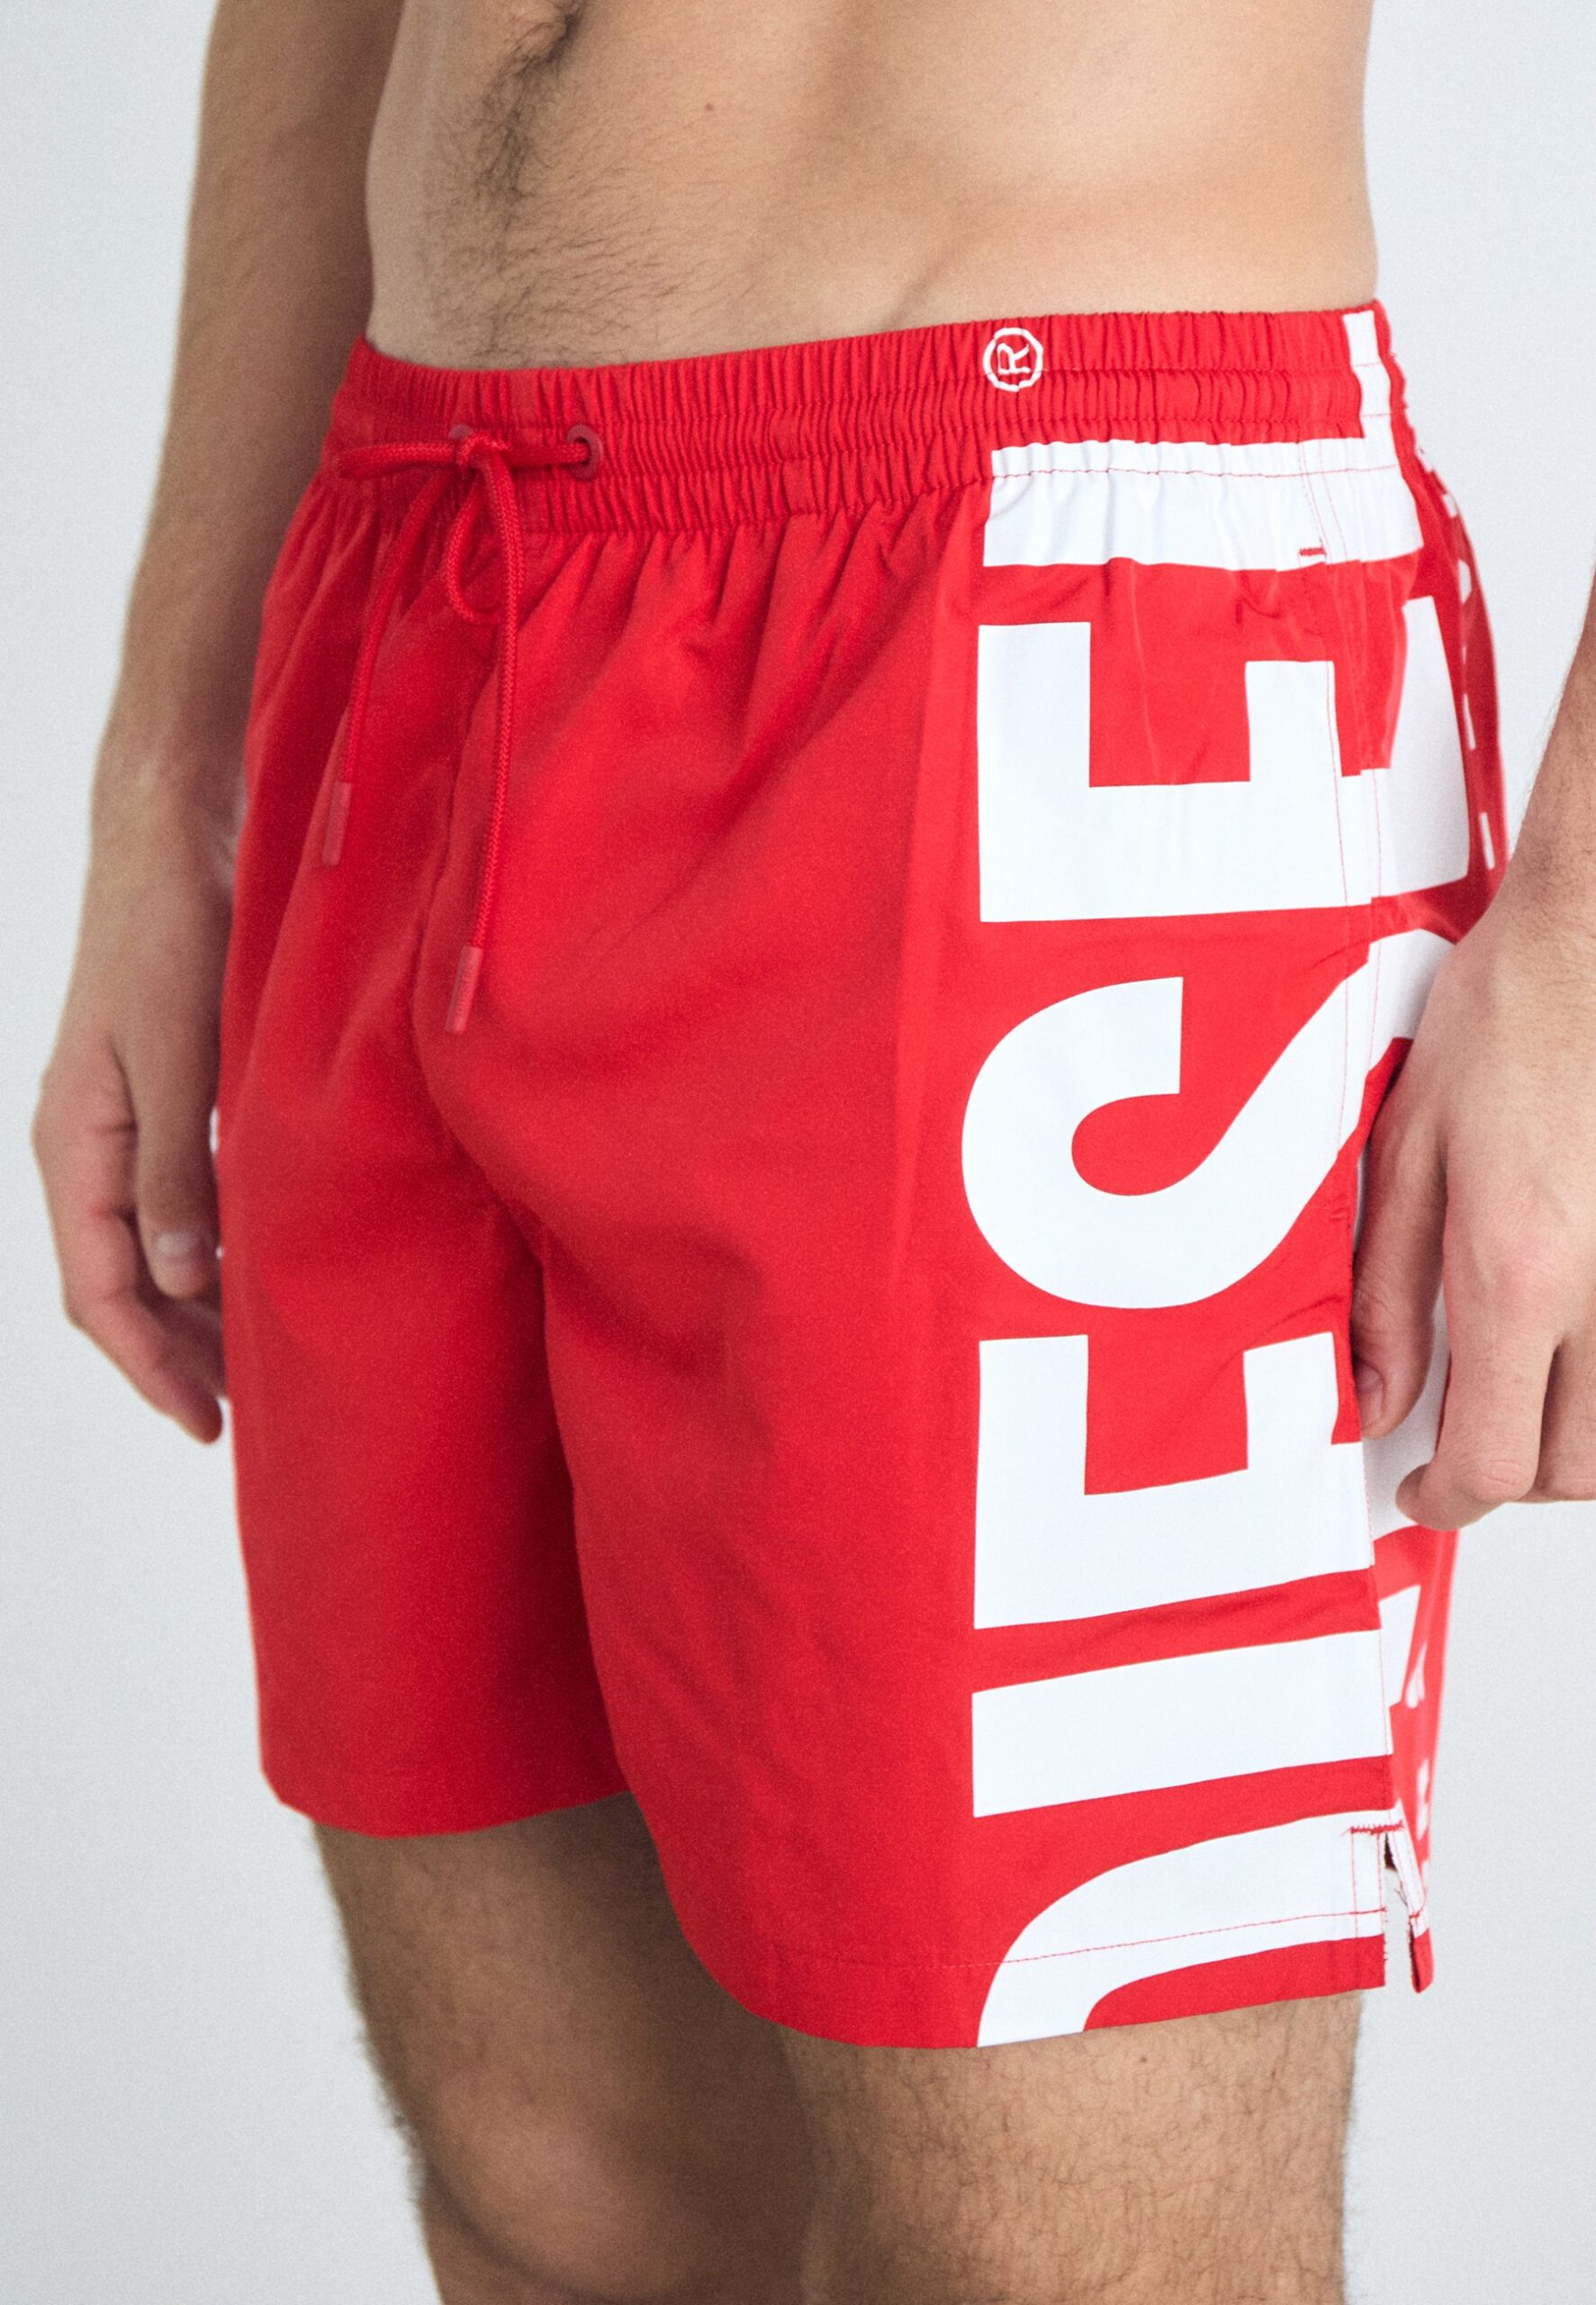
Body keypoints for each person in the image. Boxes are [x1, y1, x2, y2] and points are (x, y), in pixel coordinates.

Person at [31, 0, 1596, 2297]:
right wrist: (171, 772)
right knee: (556, 2187)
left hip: (1042, 644)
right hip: (416, 577)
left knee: (1056, 2263)